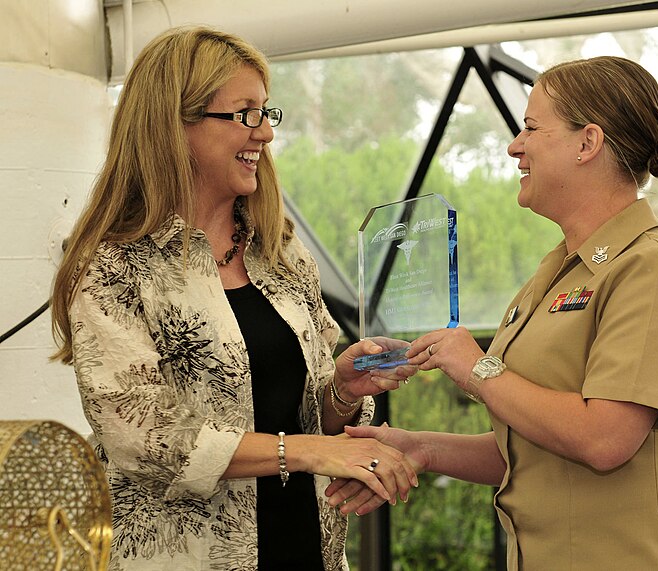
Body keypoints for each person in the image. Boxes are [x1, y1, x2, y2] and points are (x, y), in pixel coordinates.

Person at [327, 56, 658, 570]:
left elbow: (604, 439)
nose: (515, 146)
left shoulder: (652, 269)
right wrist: (420, 446)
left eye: (532, 128)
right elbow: (535, 452)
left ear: (588, 143)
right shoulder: (556, 271)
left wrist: (478, 369)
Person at [50, 25, 418, 571]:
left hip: (307, 549)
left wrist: (339, 392)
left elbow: (312, 416)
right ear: (173, 126)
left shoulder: (282, 255)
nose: (265, 133)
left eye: (268, 112)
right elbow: (144, 439)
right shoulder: (111, 265)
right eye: (245, 113)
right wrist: (309, 450)